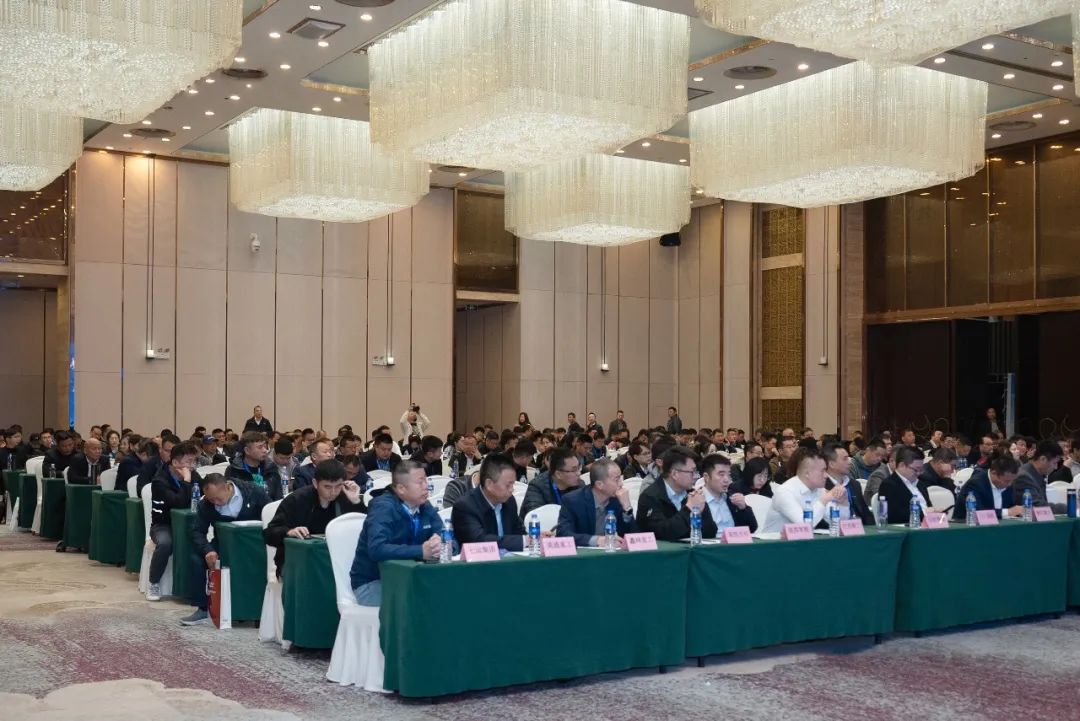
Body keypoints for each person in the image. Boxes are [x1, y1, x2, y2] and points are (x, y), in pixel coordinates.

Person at [349, 460, 445, 606]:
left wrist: (440, 544)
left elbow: (448, 538)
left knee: (448, 594)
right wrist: (421, 551)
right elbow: (377, 549)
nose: (426, 486)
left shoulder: (424, 506)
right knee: (423, 603)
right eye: (420, 482)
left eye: (426, 480)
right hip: (373, 582)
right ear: (401, 489)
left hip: (411, 578)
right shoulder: (383, 508)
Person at [179, 473, 270, 625]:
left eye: (218, 498)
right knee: (197, 559)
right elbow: (197, 532)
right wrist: (208, 550)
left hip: (255, 545)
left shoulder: (254, 492)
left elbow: (272, 516)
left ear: (228, 487)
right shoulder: (205, 504)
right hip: (224, 543)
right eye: (211, 500)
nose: (216, 502)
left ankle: (261, 610)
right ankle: (203, 608)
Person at [264, 459, 366, 576]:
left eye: (338, 486)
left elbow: (363, 532)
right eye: (327, 487)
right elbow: (269, 534)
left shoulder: (346, 498)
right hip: (299, 561)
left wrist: (356, 502)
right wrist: (289, 531)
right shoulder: (297, 499)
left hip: (336, 559)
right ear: (315, 483)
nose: (333, 492)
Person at [146, 442, 201, 602]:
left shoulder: (194, 475)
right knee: (165, 543)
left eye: (194, 461)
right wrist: (186, 481)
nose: (192, 466)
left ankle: (196, 588)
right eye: (188, 461)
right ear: (175, 462)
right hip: (163, 524)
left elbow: (203, 491)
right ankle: (154, 583)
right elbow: (178, 502)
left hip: (189, 523)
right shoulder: (160, 481)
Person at [452, 453, 534, 552]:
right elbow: (479, 541)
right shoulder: (465, 506)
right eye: (508, 485)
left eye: (513, 484)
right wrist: (524, 541)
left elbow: (519, 532)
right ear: (489, 484)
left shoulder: (509, 501)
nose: (512, 490)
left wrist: (533, 537)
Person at [761, 447, 847, 533]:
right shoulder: (785, 491)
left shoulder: (819, 489)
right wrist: (824, 500)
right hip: (774, 540)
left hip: (802, 539)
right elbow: (804, 525)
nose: (826, 475)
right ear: (807, 473)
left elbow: (836, 522)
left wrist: (842, 503)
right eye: (822, 471)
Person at [556, 458, 637, 546]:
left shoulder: (617, 499)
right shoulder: (572, 500)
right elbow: (563, 534)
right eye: (616, 480)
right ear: (599, 485)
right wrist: (596, 540)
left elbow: (633, 537)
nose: (621, 484)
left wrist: (627, 508)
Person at [635, 446, 702, 541]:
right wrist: (688, 509)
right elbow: (662, 533)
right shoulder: (650, 497)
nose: (696, 476)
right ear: (674, 474)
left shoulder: (692, 494)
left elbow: (710, 530)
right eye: (692, 472)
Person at [877, 445, 947, 524]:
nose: (919, 473)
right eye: (916, 469)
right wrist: (925, 513)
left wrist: (935, 512)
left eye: (921, 470)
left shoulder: (920, 484)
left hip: (928, 526)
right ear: (902, 465)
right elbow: (894, 515)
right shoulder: (889, 485)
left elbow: (929, 507)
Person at [698, 454, 757, 536]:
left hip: (734, 542)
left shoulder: (731, 498)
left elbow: (752, 528)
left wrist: (743, 509)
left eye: (728, 474)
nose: (726, 479)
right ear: (706, 477)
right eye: (721, 474)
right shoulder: (695, 500)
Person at [953, 453, 1022, 522]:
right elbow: (978, 513)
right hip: (967, 525)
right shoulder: (975, 484)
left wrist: (1019, 511)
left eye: (1012, 481)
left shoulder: (1008, 483)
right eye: (1007, 481)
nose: (1010, 484)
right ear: (994, 473)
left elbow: (1011, 507)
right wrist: (1008, 512)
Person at [520, 446, 581, 518]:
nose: (579, 473)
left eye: (579, 468)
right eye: (574, 470)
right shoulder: (537, 487)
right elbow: (536, 517)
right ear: (558, 474)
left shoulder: (579, 484)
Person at [822, 442, 874, 526]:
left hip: (858, 529)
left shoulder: (854, 484)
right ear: (831, 464)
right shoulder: (821, 486)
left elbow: (866, 514)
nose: (850, 462)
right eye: (845, 459)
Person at [225, 431, 283, 501]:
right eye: (260, 447)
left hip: (269, 506)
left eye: (265, 446)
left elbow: (278, 496)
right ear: (247, 451)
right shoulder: (234, 470)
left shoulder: (270, 468)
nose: (265, 450)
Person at [1013, 440, 1066, 514]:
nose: (1056, 467)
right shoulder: (1024, 477)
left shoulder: (1038, 474)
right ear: (1043, 459)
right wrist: (1069, 507)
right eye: (1054, 463)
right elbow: (1038, 506)